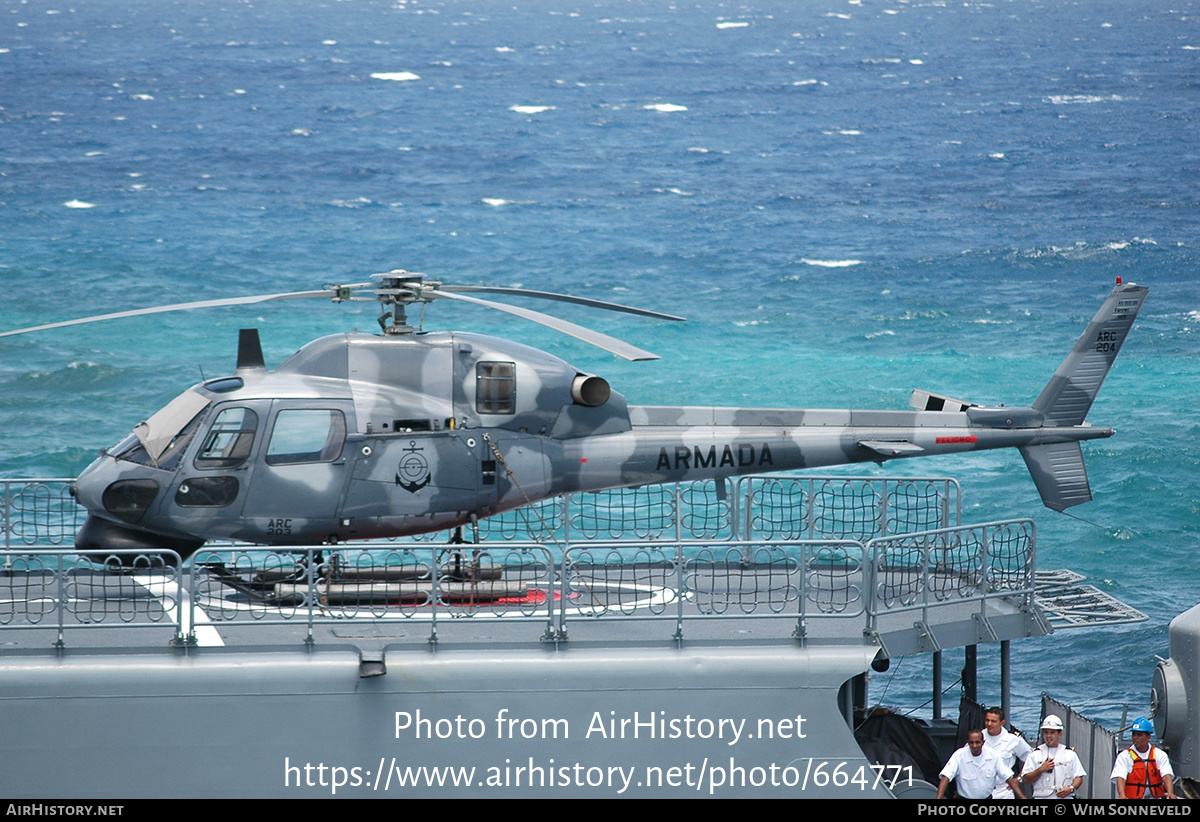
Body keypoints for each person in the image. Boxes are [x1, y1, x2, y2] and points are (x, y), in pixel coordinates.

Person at [937, 729, 1023, 800]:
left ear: (983, 742)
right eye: (971, 742)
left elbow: (1007, 777)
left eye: (977, 742)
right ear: (968, 742)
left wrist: (1022, 797)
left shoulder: (993, 755)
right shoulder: (959, 755)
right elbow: (946, 777)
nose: (974, 746)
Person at [1111, 717, 1177, 799]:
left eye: (1139, 735)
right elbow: (1120, 776)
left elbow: (1166, 775)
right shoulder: (1124, 756)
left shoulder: (1160, 754)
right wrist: (1122, 795)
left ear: (1148, 737)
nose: (1135, 737)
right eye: (1134, 734)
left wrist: (1170, 793)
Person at [1022, 715, 1086, 799]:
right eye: (1046, 732)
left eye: (1052, 732)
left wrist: (1070, 789)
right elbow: (1026, 779)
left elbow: (1079, 777)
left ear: (1060, 734)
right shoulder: (1035, 755)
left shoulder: (1070, 754)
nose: (1048, 736)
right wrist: (1041, 769)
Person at [983, 706, 1031, 800]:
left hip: (1004, 790)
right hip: (982, 789)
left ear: (1002, 723)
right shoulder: (978, 738)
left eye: (993, 721)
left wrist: (1019, 779)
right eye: (987, 720)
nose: (989, 724)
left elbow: (1031, 758)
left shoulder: (1012, 739)